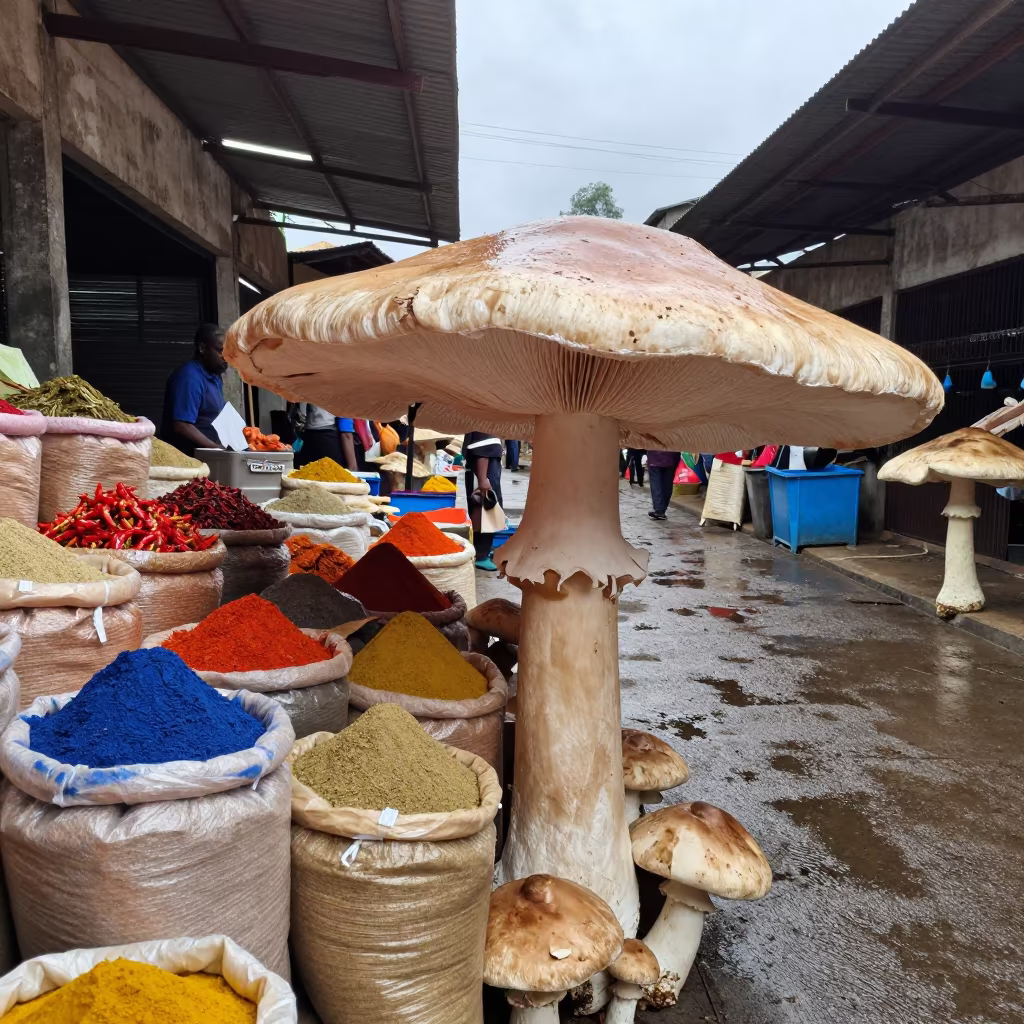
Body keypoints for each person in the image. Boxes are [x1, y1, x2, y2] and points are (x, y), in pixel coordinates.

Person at [161, 323, 227, 456]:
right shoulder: (189, 377)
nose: (226, 357)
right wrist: (216, 448)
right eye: (220, 351)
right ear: (202, 348)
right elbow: (182, 425)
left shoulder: (215, 377)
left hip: (208, 453)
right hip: (186, 456)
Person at [464, 431, 504, 571]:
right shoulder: (485, 425)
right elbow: (483, 450)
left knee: (487, 511)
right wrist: (482, 480)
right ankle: (481, 555)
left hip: (485, 473)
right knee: (484, 512)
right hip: (484, 475)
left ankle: (483, 552)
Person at [290, 404, 358, 470]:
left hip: (309, 442)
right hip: (329, 445)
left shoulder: (311, 394)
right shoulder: (340, 396)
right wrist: (353, 467)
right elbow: (346, 434)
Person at [646, 450, 681, 520]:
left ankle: (659, 509)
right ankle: (662, 509)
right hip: (671, 457)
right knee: (667, 484)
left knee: (656, 484)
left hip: (654, 458)